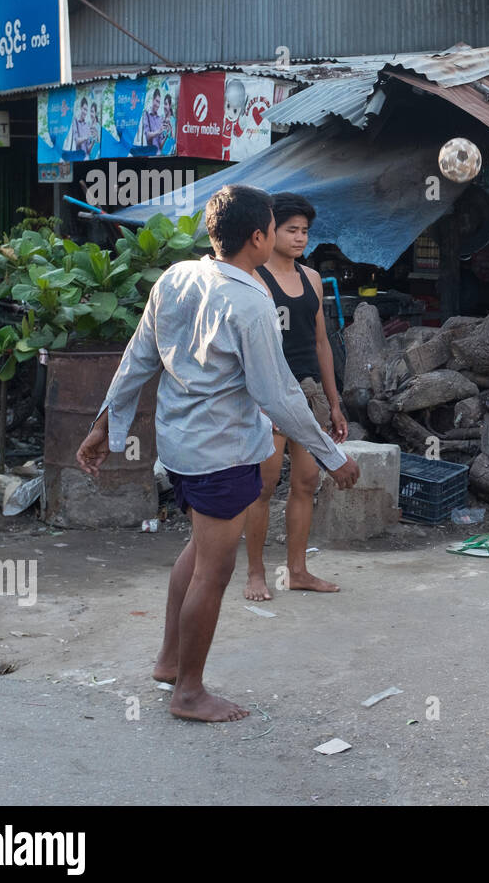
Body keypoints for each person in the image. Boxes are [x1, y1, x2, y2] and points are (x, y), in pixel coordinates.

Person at [76, 185, 360, 723]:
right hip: (222, 452)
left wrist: (102, 425)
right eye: (276, 227)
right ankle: (189, 691)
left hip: (182, 448)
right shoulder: (250, 300)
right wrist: (331, 455)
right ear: (258, 237)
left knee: (197, 553)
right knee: (215, 569)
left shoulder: (178, 276)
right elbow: (278, 395)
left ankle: (168, 661)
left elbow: (138, 357)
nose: (281, 235)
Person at [244, 193, 348, 601]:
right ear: (270, 230)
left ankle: (298, 570)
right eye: (291, 230)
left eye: (305, 231)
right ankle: (255, 574)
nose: (300, 237)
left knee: (306, 481)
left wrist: (333, 401)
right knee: (263, 486)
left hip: (308, 394)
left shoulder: (312, 279)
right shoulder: (254, 280)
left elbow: (322, 342)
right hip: (269, 396)